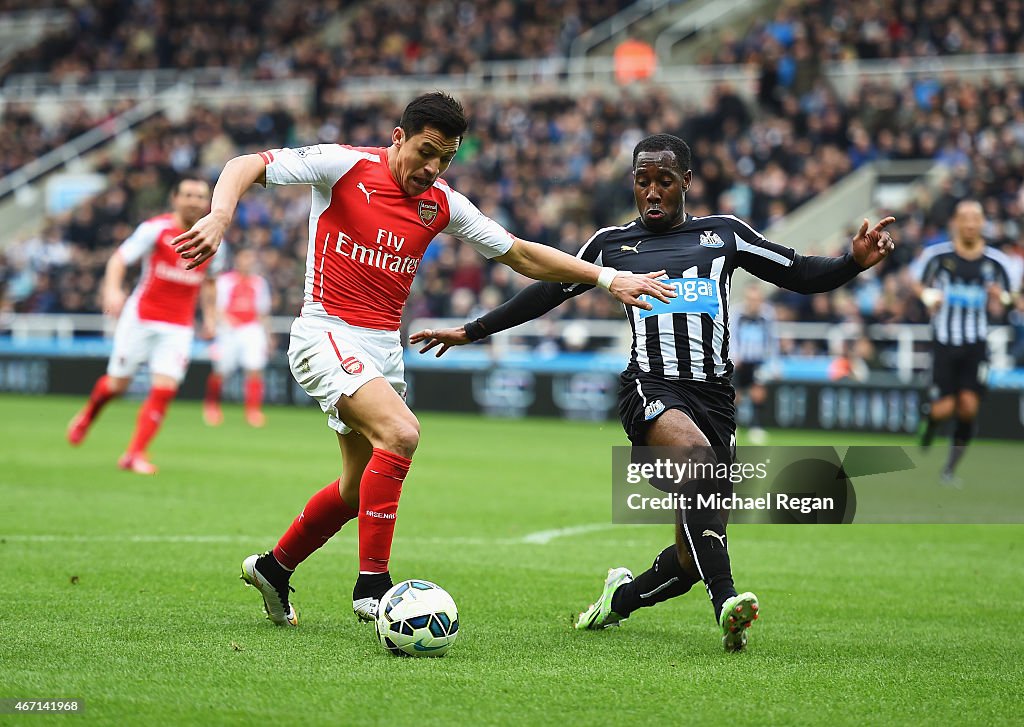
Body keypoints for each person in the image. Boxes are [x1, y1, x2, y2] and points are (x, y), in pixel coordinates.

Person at [171, 92, 675, 627]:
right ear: (398, 138)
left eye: (446, 158)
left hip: (384, 348)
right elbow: (246, 163)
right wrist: (220, 215)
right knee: (402, 434)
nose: (432, 168)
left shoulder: (443, 202)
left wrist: (604, 277)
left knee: (352, 490)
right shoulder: (345, 166)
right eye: (426, 151)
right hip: (326, 332)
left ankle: (274, 568)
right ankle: (374, 586)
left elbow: (520, 253)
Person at [412, 133, 896, 651]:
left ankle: (618, 601)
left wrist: (851, 262)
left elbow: (798, 272)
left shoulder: (724, 235)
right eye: (642, 181)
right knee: (697, 461)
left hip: (716, 401)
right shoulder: (611, 245)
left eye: (664, 180)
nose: (653, 191)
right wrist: (472, 331)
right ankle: (727, 603)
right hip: (650, 388)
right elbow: (546, 291)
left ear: (686, 182)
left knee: (689, 560)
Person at [66, 175, 217, 474]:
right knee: (117, 385)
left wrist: (210, 317)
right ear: (175, 198)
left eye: (200, 196)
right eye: (188, 195)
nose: (194, 201)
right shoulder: (155, 229)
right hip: (142, 318)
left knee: (165, 388)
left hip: (178, 327)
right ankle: (88, 414)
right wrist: (112, 289)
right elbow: (119, 259)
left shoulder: (212, 238)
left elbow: (210, 282)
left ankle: (134, 454)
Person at [912, 200, 1019, 485]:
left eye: (976, 218)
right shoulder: (937, 256)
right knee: (943, 409)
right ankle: (930, 426)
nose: (970, 223)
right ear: (956, 223)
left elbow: (1012, 297)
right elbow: (918, 284)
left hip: (975, 343)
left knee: (968, 407)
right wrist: (928, 297)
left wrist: (1003, 299)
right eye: (965, 218)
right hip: (944, 342)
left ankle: (949, 469)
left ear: (983, 223)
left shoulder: (997, 261)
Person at [203, 247, 273, 428]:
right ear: (238, 260)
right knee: (221, 370)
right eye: (245, 258)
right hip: (229, 330)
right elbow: (218, 308)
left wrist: (268, 335)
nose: (248, 262)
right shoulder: (225, 282)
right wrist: (225, 322)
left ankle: (253, 411)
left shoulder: (260, 283)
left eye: (251, 259)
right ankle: (211, 406)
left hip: (251, 329)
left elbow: (263, 312)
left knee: (255, 368)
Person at [730, 284, 778, 443]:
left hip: (759, 360)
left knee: (758, 393)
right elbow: (733, 336)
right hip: (741, 361)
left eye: (757, 300)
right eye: (751, 299)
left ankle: (756, 426)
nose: (753, 303)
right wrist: (734, 357)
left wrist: (773, 363)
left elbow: (772, 339)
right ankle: (732, 427)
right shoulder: (738, 313)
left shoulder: (767, 315)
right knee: (737, 395)